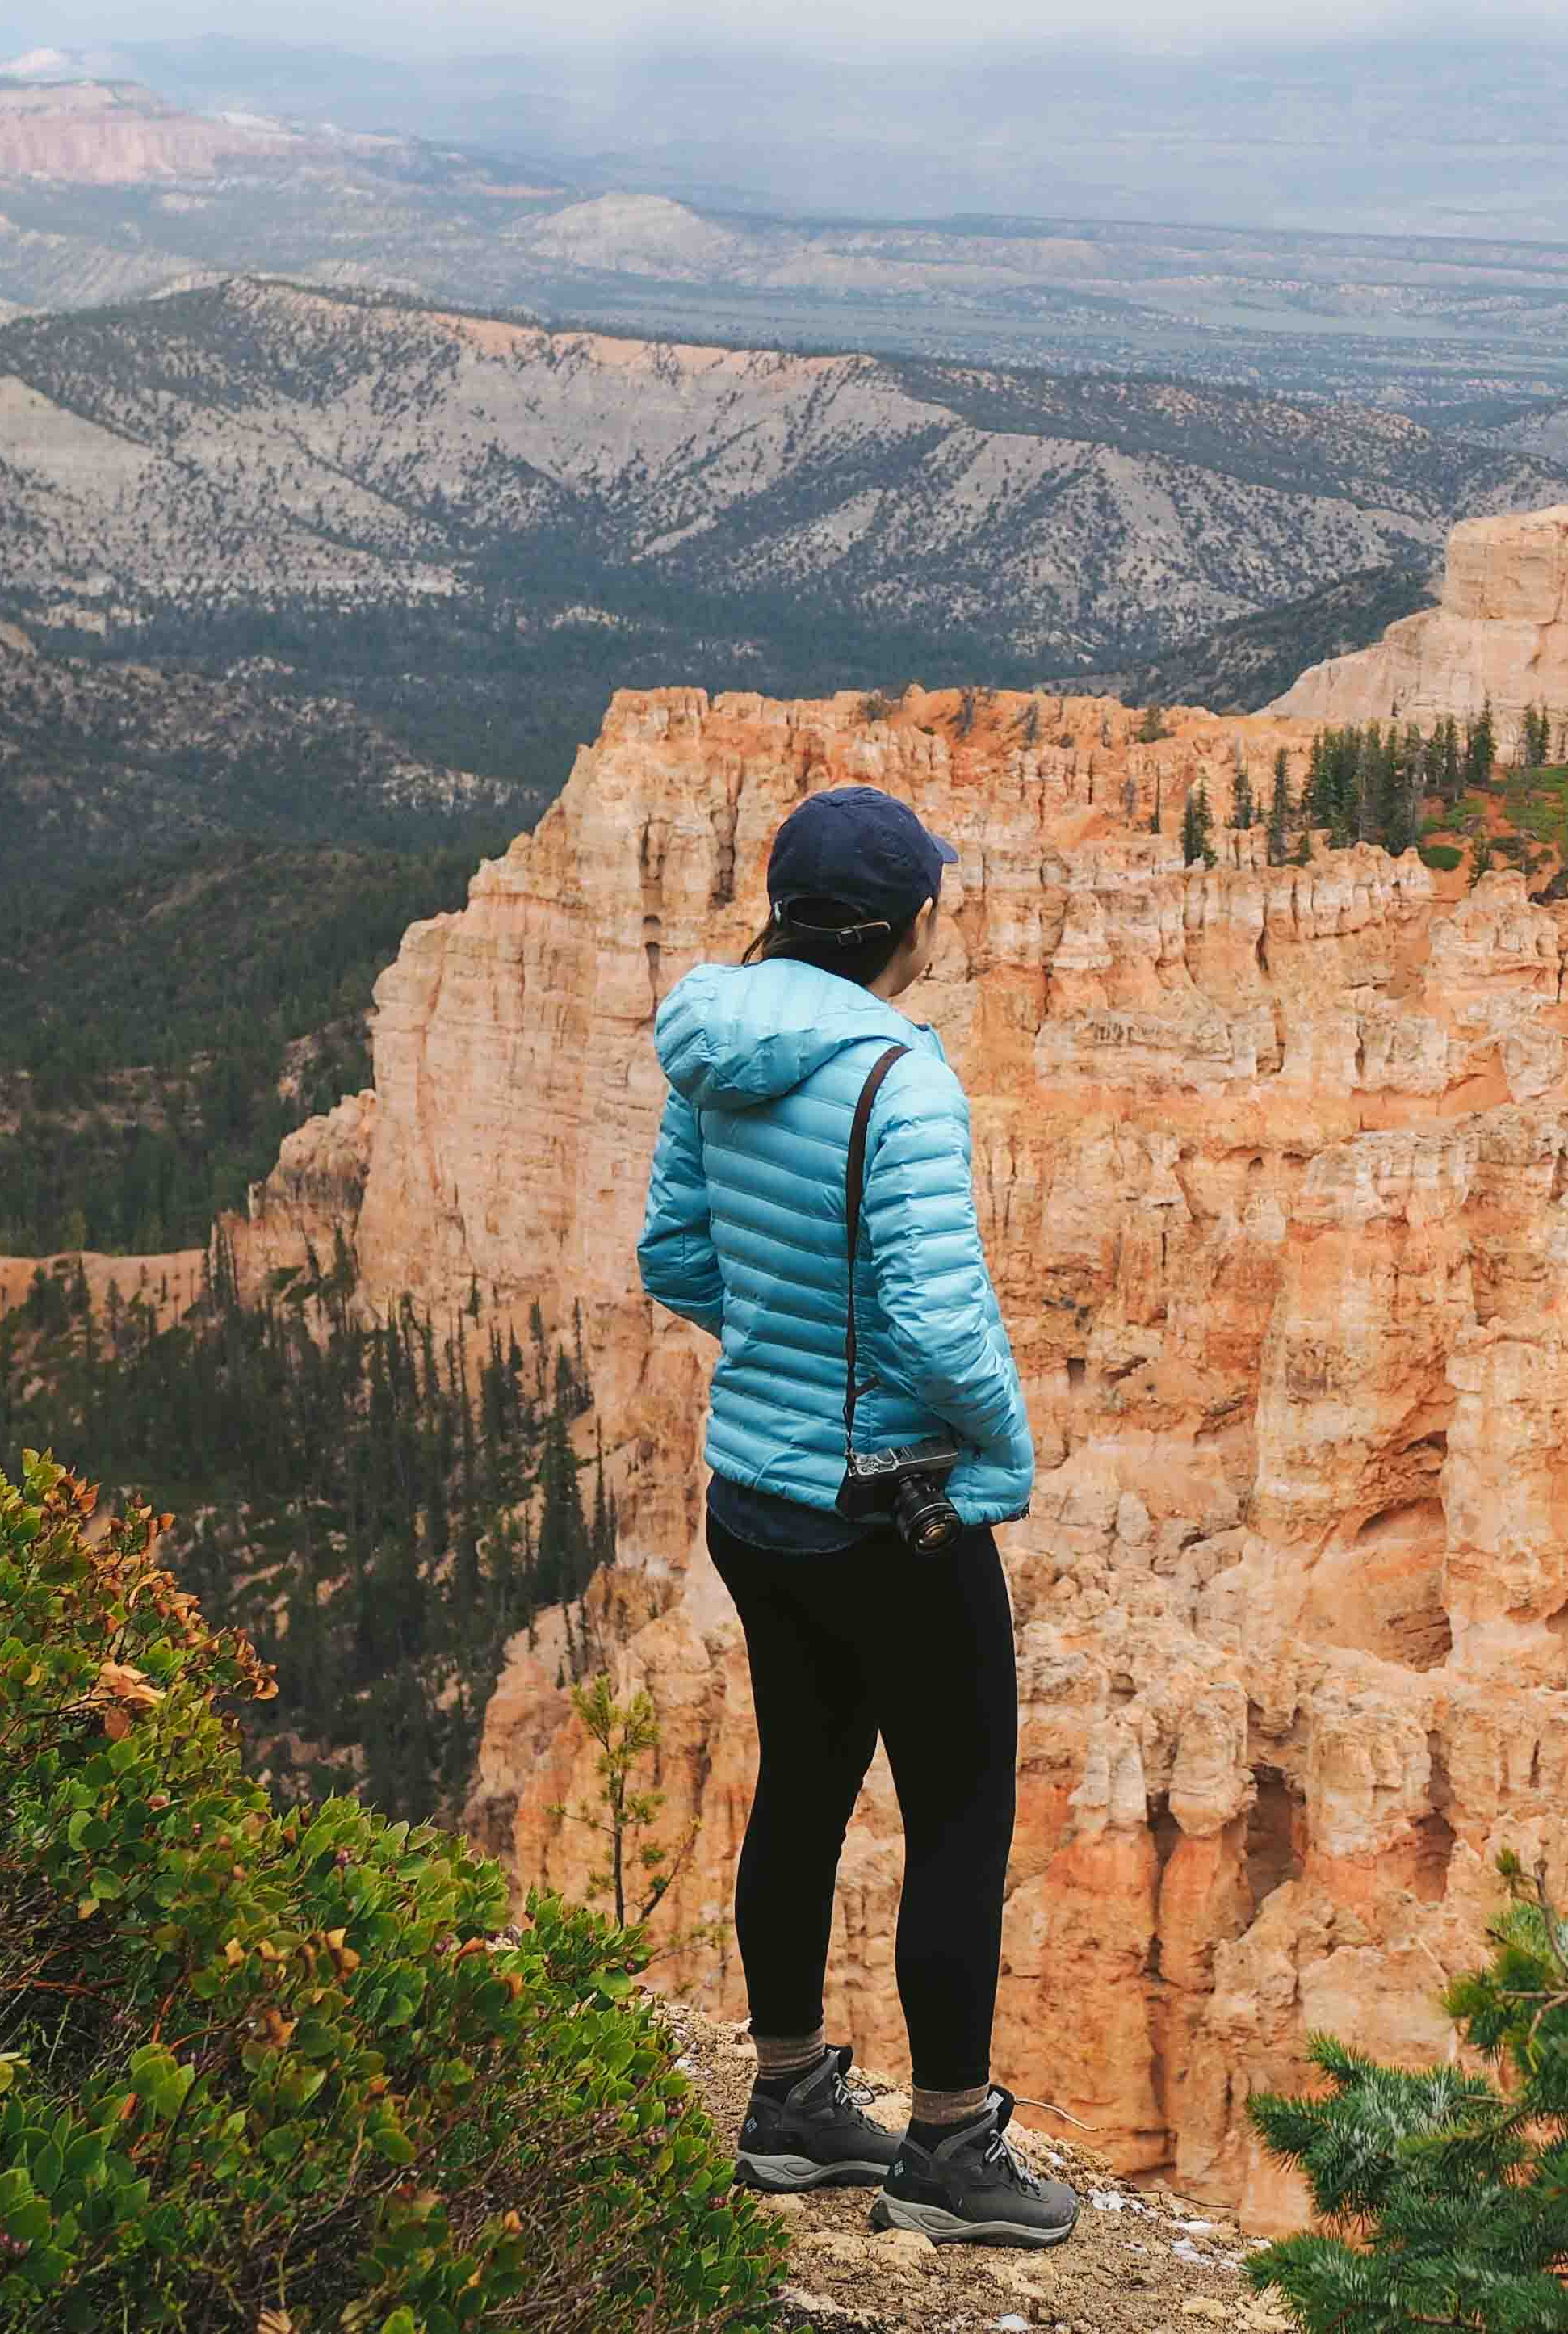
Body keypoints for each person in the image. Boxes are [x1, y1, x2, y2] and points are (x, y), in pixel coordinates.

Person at [635, 784, 1069, 2249]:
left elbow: (674, 1252)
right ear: (909, 925)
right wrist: (1002, 1450)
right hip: (891, 1508)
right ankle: (948, 2145)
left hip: (754, 1500)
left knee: (806, 1777)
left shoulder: (714, 1043)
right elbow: (943, 1327)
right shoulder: (903, 1078)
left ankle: (787, 2101)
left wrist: (778, 1338)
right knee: (957, 1813)